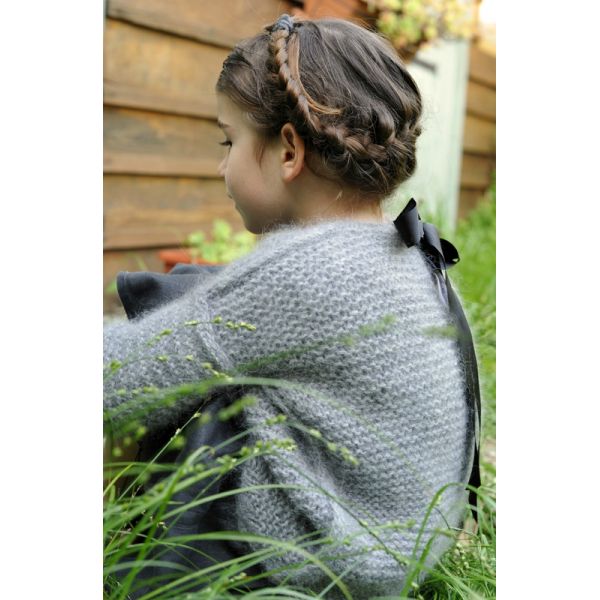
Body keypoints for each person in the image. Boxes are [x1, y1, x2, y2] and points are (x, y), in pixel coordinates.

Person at [104, 14, 478, 598]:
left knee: (176, 370)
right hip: (398, 550)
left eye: (229, 142)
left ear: (287, 150)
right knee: (196, 298)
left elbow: (114, 379)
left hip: (324, 564)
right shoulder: (402, 251)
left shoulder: (307, 271)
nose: (222, 166)